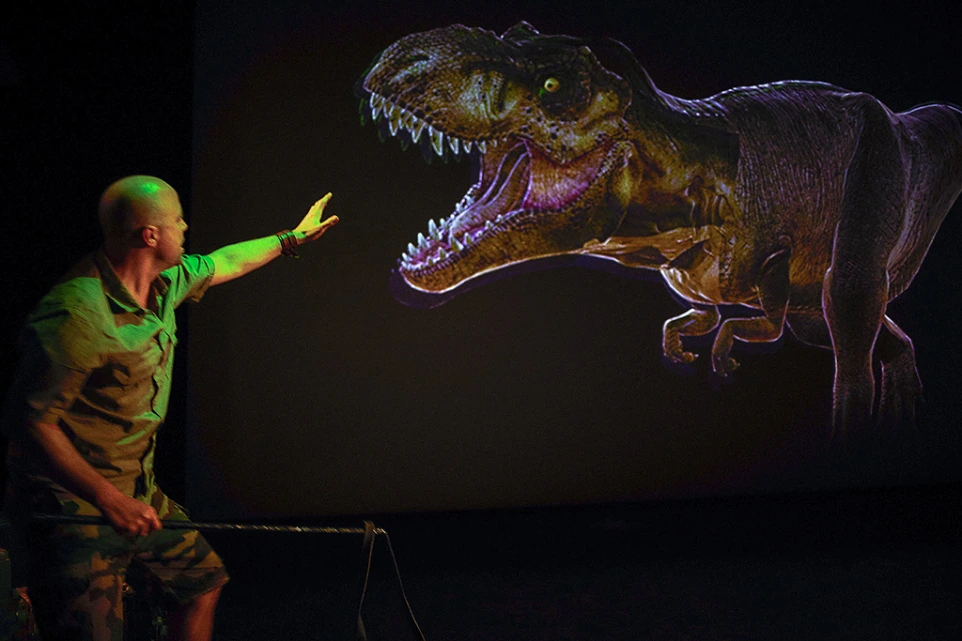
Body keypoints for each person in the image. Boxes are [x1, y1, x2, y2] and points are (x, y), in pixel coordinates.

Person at [0, 175, 339, 640]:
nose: (185, 225)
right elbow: (32, 423)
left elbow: (227, 262)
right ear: (150, 235)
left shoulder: (165, 283)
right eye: (176, 219)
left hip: (134, 490)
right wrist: (108, 498)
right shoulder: (77, 315)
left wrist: (290, 239)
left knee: (200, 583)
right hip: (70, 511)